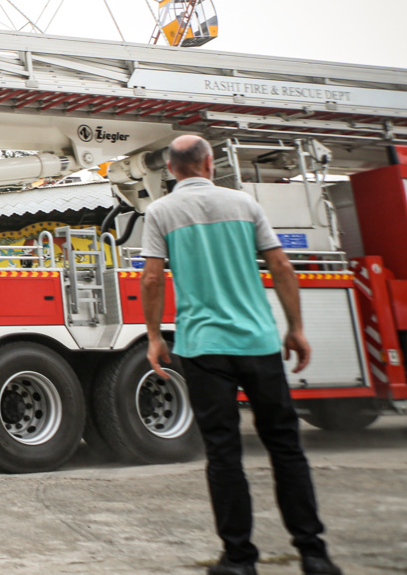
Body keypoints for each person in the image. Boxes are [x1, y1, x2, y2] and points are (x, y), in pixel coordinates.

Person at [141, 135, 340, 575]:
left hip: (203, 346)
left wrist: (155, 336)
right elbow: (282, 266)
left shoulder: (160, 212)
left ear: (171, 170)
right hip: (258, 342)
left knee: (224, 452)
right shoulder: (244, 204)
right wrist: (296, 329)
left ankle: (238, 559)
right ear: (210, 163)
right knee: (286, 447)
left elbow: (152, 280)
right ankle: (314, 553)